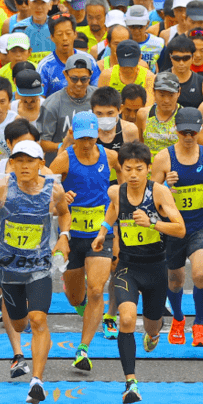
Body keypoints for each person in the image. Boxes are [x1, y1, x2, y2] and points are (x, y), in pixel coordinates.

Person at [0, 139, 71, 404]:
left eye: (30, 161)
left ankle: (37, 381)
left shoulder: (54, 190)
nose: (24, 166)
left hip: (40, 266)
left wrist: (63, 236)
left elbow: (64, 214)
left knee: (39, 319)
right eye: (19, 161)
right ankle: (13, 312)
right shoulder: (1, 187)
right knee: (20, 323)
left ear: (41, 164)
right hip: (8, 267)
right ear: (13, 163)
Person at [93, 140, 186, 404]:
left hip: (156, 267)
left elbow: (180, 229)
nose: (133, 174)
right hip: (128, 266)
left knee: (150, 323)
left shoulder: (159, 193)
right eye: (128, 169)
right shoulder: (117, 191)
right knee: (126, 320)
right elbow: (113, 210)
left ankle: (155, 333)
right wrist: (102, 233)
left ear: (148, 169)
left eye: (139, 169)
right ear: (121, 169)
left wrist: (153, 223)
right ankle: (130, 382)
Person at [48, 111, 118, 368]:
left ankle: (83, 349)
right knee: (76, 298)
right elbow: (48, 202)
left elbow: (123, 189)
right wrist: (60, 200)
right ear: (74, 137)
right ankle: (84, 308)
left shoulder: (111, 157)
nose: (86, 143)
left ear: (97, 134)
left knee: (97, 288)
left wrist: (118, 226)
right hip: (73, 235)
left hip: (101, 233)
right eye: (81, 138)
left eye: (90, 137)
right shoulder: (63, 161)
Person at [150, 106, 203, 346]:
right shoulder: (163, 158)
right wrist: (165, 186)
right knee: (175, 280)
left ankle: (199, 323)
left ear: (200, 129)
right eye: (184, 133)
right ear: (176, 131)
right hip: (173, 228)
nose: (189, 137)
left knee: (200, 274)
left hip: (199, 225)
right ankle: (179, 319)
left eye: (193, 132)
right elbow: (150, 194)